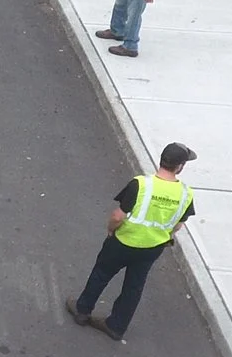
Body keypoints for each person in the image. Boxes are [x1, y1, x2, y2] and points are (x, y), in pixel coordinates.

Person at [74, 143, 196, 341]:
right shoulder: (186, 194)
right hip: (152, 248)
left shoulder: (141, 184)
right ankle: (116, 326)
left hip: (123, 242)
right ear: (180, 166)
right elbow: (179, 225)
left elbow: (118, 216)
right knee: (134, 287)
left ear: (161, 160)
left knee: (101, 274)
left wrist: (110, 230)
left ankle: (82, 311)